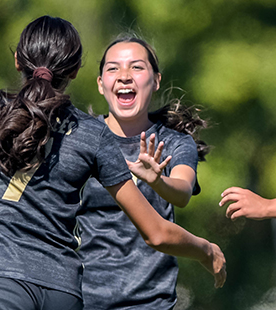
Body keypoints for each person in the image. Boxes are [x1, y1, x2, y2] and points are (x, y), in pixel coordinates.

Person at [0, 16, 226, 310]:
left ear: (18, 60)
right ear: (77, 71)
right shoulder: (92, 135)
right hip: (64, 291)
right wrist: (205, 249)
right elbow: (156, 232)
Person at [78, 35, 212, 310]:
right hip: (80, 300)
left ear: (156, 80)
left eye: (136, 67)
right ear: (101, 84)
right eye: (113, 68)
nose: (124, 76)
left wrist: (158, 180)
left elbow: (183, 191)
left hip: (151, 303)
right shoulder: (79, 139)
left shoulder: (174, 142)